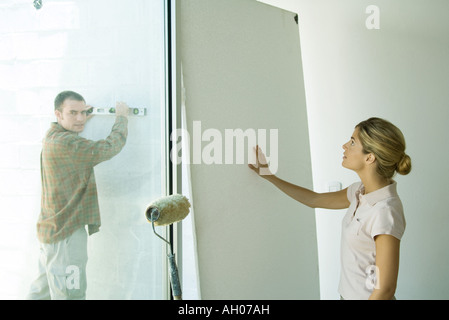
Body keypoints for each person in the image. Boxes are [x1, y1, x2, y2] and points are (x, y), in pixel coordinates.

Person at [249, 117, 412, 300]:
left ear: (370, 157)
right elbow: (314, 199)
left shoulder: (384, 211)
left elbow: (385, 290)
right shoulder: (358, 191)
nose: (344, 146)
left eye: (352, 142)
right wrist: (269, 176)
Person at [26, 91, 129, 300]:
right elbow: (109, 147)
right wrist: (122, 118)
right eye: (73, 113)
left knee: (40, 295)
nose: (81, 118)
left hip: (51, 234)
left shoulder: (52, 136)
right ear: (58, 114)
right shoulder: (67, 144)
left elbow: (71, 136)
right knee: (71, 295)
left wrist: (74, 120)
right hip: (66, 233)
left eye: (83, 112)